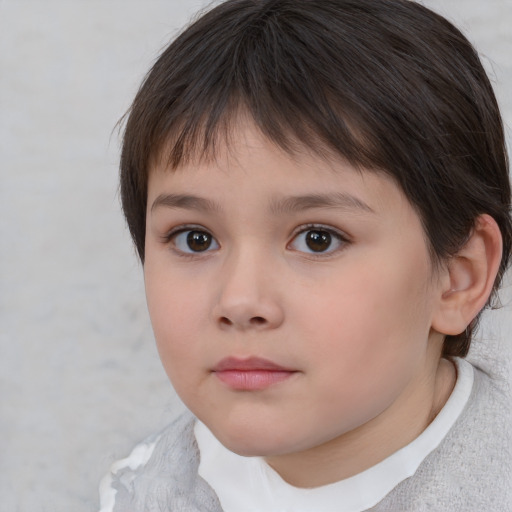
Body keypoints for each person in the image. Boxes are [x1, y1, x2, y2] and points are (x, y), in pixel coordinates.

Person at [99, 0, 512, 510]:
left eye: (318, 239)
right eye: (195, 238)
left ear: (457, 277)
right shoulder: (142, 488)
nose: (240, 300)